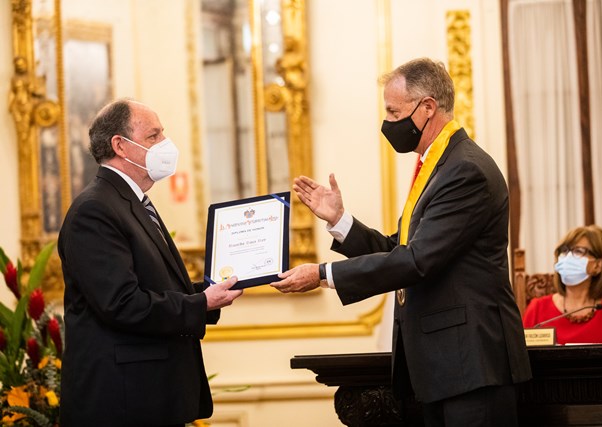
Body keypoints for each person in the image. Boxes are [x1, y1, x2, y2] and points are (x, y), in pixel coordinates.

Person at [270, 58, 532, 426]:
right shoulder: (439, 165)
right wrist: (340, 221)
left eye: (394, 112)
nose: (388, 123)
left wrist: (322, 274)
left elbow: (417, 260)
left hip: (472, 366)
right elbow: (402, 250)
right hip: (445, 368)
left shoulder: (465, 169)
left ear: (427, 107)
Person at [58, 98, 243, 426]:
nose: (165, 144)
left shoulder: (131, 202)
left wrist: (213, 290)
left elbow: (155, 287)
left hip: (151, 396)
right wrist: (200, 303)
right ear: (120, 146)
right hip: (123, 403)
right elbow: (122, 303)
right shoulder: (95, 209)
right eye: (153, 136)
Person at [523, 225, 602, 344]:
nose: (568, 257)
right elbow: (520, 352)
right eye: (564, 251)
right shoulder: (537, 309)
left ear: (598, 265)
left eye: (578, 251)